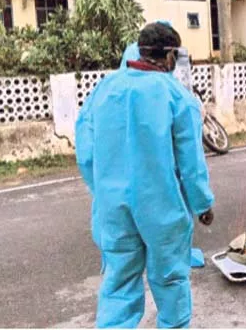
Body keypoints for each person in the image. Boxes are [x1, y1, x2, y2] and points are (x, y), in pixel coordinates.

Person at [75, 22, 215, 328]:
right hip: (162, 208)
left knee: (119, 284)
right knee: (170, 280)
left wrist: (102, 190)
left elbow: (85, 152)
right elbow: (191, 162)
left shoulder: (103, 90)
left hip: (114, 209)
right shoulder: (177, 97)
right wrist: (202, 204)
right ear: (168, 56)